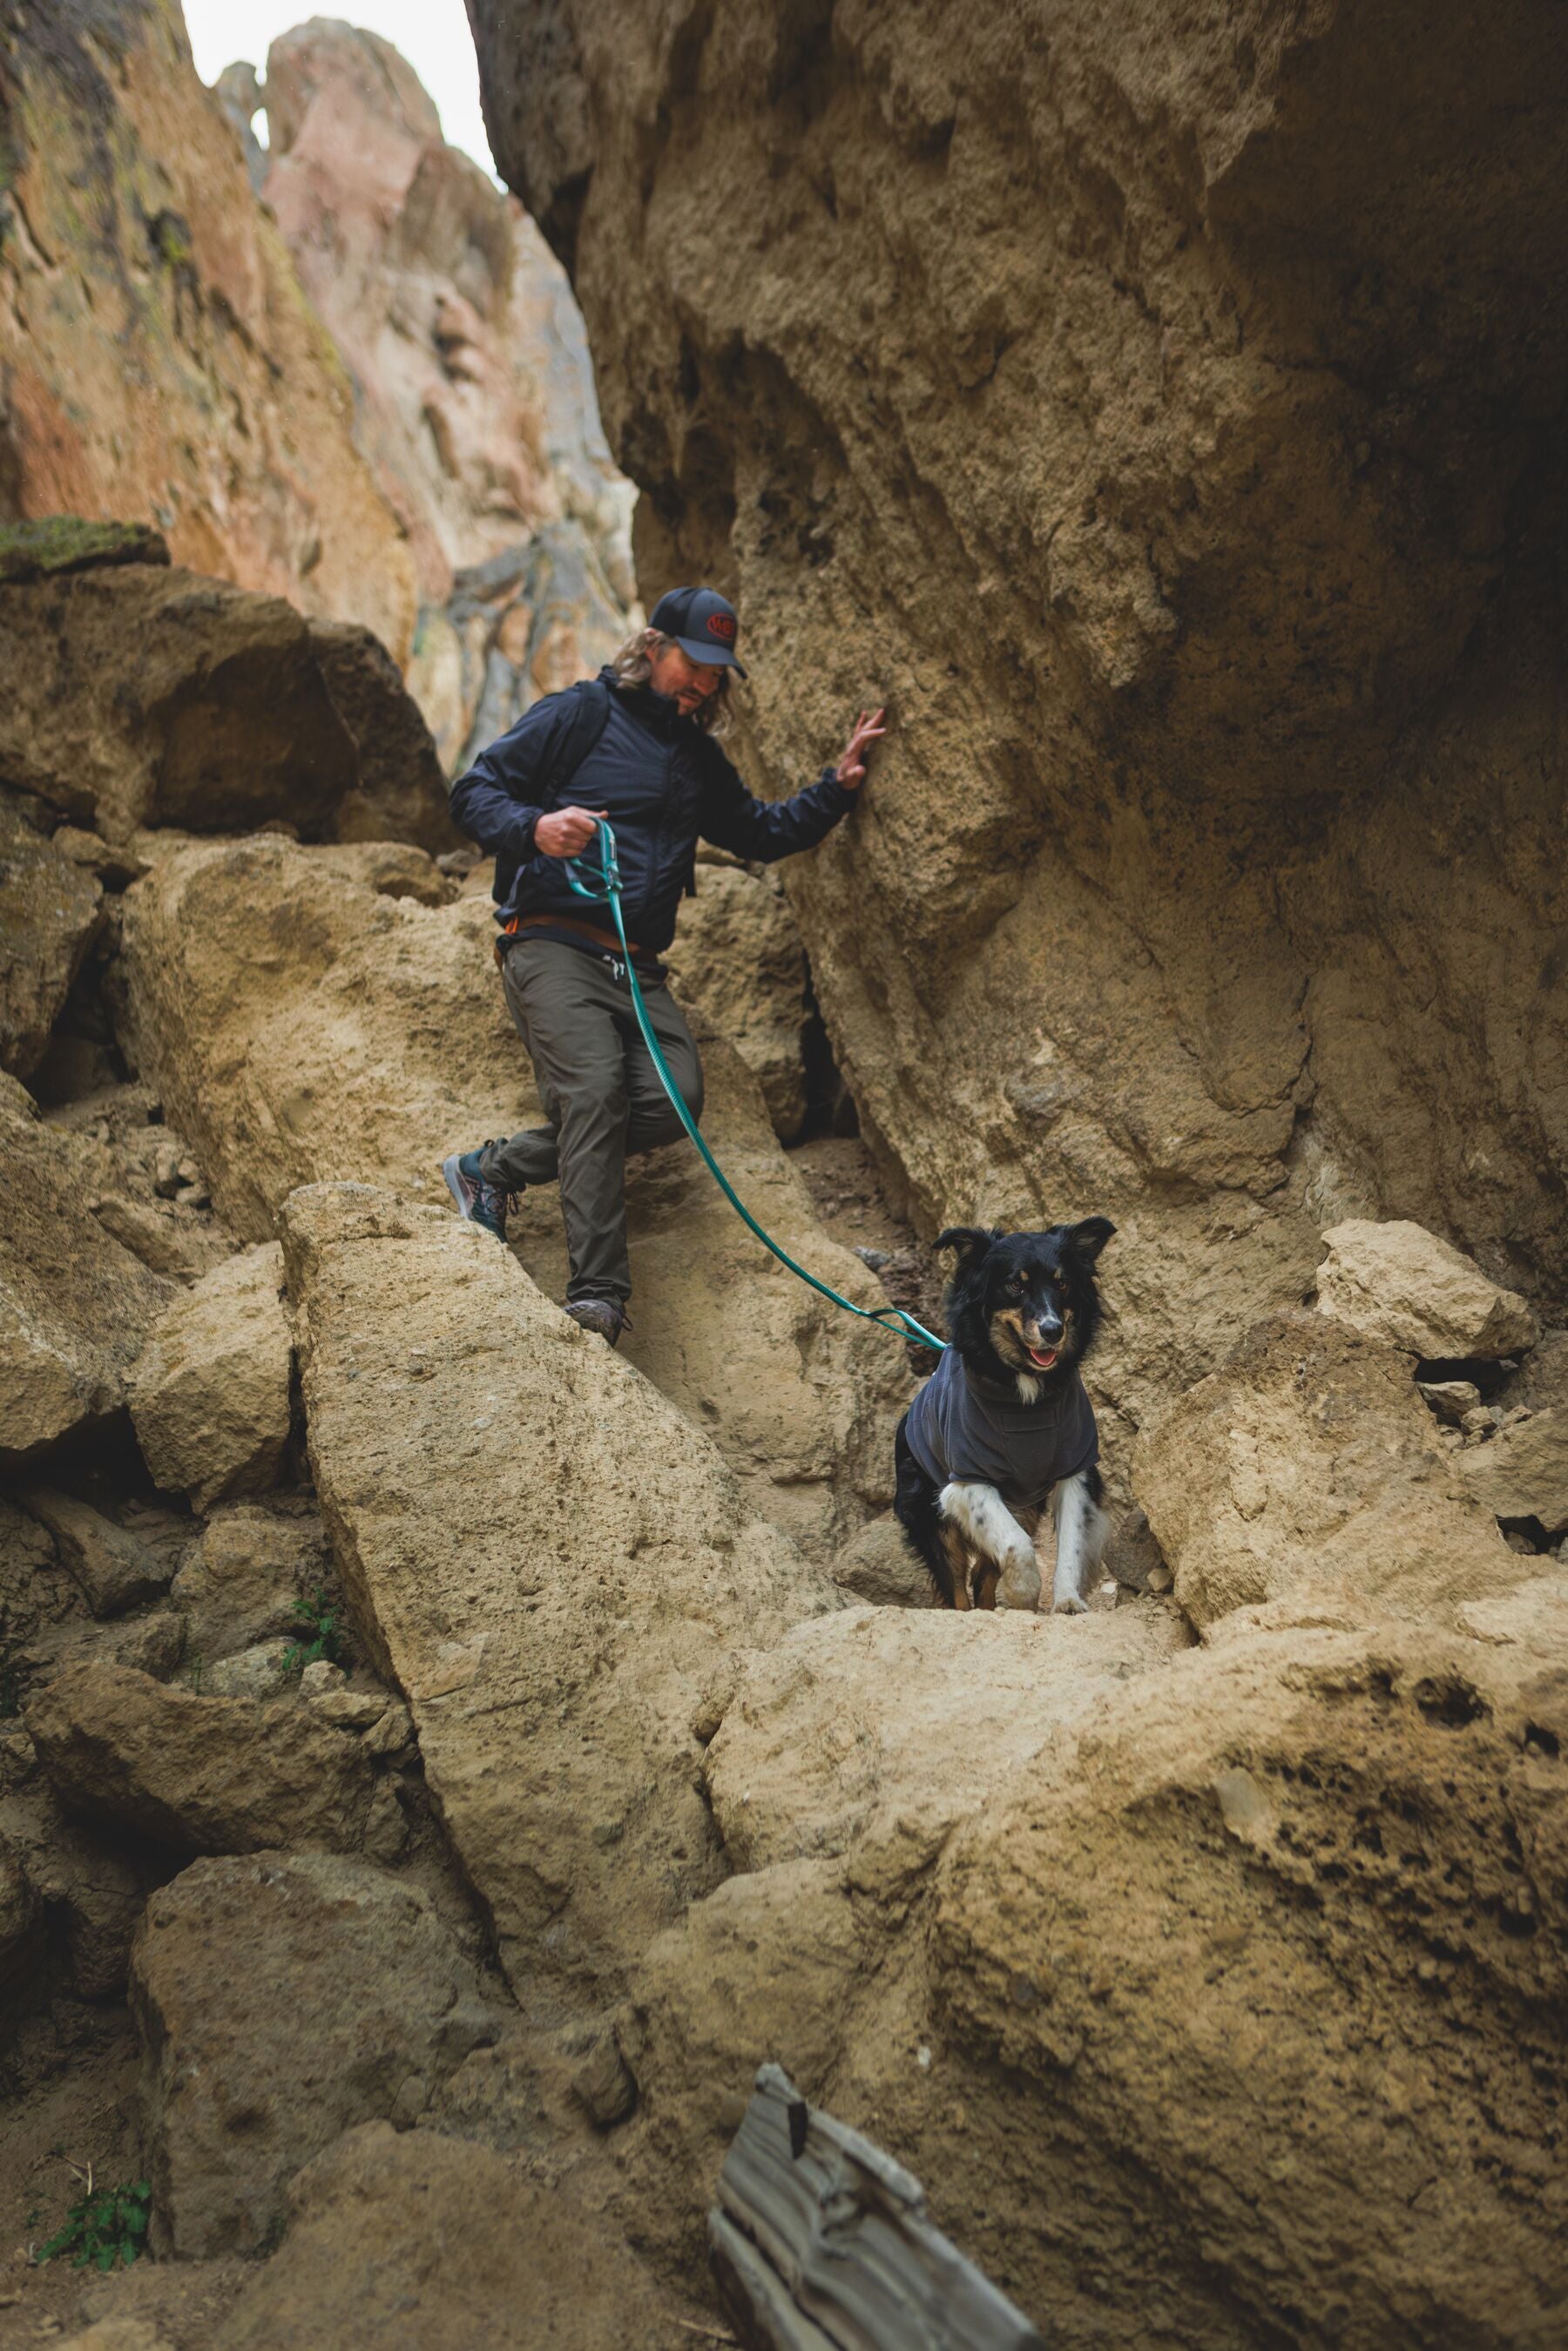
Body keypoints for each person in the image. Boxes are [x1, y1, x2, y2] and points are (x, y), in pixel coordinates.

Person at [443, 584, 886, 1346]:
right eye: (695, 664)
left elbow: (759, 830)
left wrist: (837, 790)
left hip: (637, 969)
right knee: (594, 1088)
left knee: (676, 1096)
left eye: (718, 673)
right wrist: (536, 828)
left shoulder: (696, 760)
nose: (706, 684)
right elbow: (473, 789)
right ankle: (599, 1297)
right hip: (552, 942)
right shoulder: (580, 714)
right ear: (652, 650)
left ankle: (494, 1170)